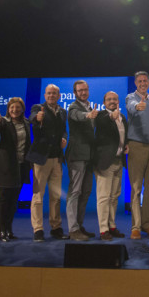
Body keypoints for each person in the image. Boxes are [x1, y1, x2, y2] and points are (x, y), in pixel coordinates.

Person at [27, 84, 68, 242]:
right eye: (49, 93)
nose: (51, 96)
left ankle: (56, 227)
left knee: (56, 196)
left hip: (57, 159)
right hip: (40, 159)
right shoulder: (38, 108)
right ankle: (38, 229)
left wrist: (64, 137)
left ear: (59, 96)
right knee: (38, 196)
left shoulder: (63, 112)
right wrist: (37, 118)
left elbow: (64, 129)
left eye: (54, 93)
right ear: (45, 95)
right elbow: (32, 118)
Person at [125, 71, 149, 239]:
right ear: (135, 83)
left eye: (145, 80)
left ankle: (147, 224)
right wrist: (138, 106)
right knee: (136, 188)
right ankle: (136, 226)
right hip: (136, 146)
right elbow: (131, 107)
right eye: (140, 81)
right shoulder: (131, 98)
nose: (143, 83)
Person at [0, 97, 31, 242]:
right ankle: (2, 230)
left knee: (14, 200)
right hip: (6, 165)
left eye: (18, 107)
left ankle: (9, 229)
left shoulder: (26, 123)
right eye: (12, 107)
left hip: (21, 166)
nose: (15, 110)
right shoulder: (4, 122)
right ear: (8, 109)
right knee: (4, 198)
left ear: (22, 109)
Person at [65, 80, 98, 241]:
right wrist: (88, 116)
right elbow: (77, 116)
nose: (83, 93)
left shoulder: (90, 107)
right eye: (80, 91)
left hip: (89, 157)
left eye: (85, 90)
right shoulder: (74, 107)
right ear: (75, 93)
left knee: (85, 193)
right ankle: (73, 229)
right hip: (77, 155)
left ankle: (79, 225)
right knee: (75, 192)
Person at [93, 91, 128, 241]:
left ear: (118, 101)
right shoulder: (101, 116)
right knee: (103, 197)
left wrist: (126, 145)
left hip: (118, 161)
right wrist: (110, 117)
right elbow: (101, 125)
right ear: (104, 102)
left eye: (115, 99)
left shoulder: (123, 117)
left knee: (114, 197)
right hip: (104, 162)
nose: (112, 101)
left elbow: (122, 137)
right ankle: (103, 230)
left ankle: (112, 226)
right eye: (109, 99)